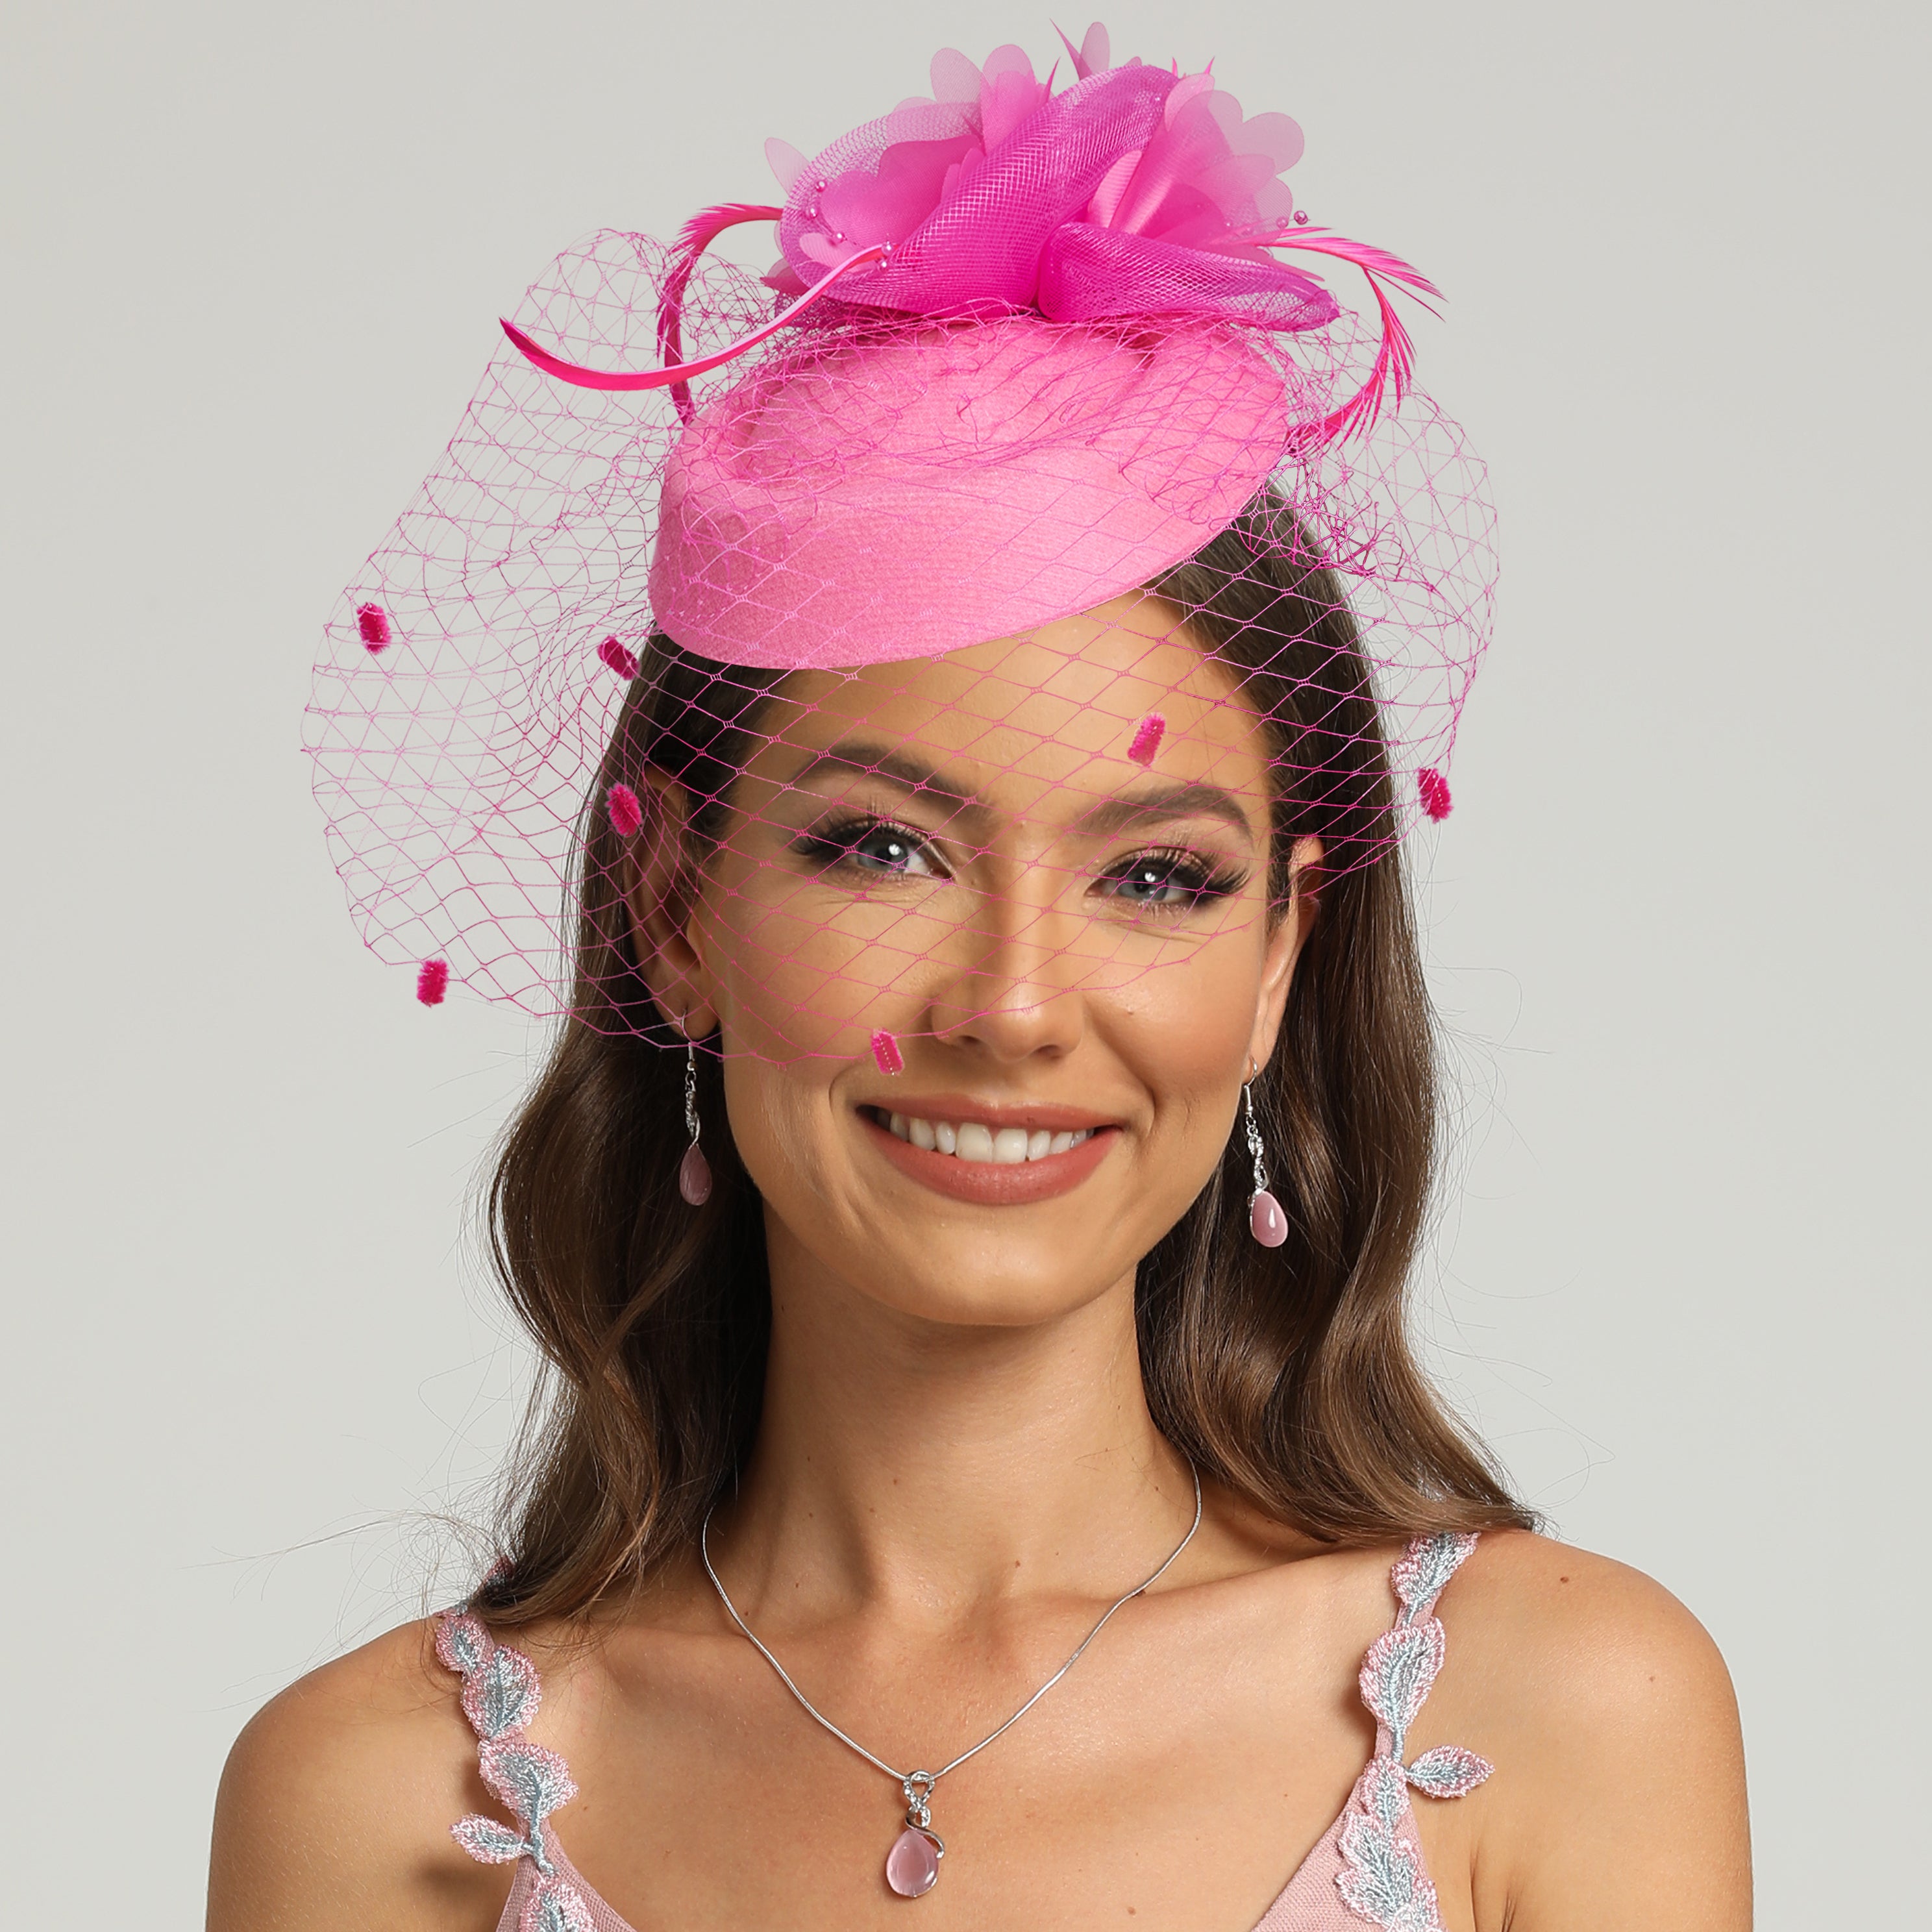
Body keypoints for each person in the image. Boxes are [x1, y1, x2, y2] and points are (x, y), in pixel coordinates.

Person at [210, 25, 1750, 1930]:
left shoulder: (1557, 1713)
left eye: (1158, 877)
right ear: (676, 908)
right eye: (882, 849)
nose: (1014, 1008)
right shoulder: (375, 1801)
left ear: (1282, 953)